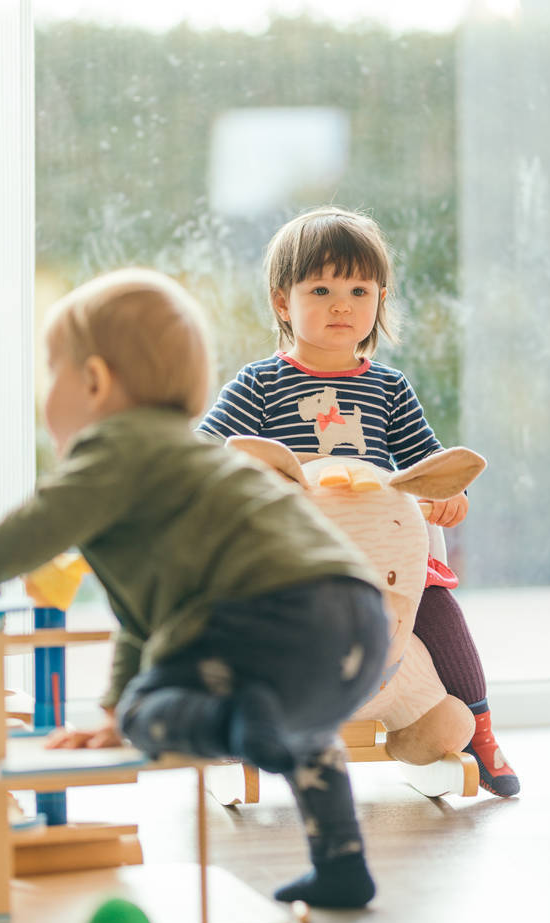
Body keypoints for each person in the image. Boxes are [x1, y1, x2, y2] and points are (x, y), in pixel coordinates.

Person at [0, 268, 391, 908]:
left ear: (94, 382)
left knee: (147, 717)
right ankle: (342, 863)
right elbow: (142, 620)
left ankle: (241, 722)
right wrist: (109, 708)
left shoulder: (116, 449)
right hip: (356, 618)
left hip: (267, 613)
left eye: (53, 375)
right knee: (304, 731)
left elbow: (37, 525)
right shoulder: (188, 461)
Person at [198, 206, 519, 797]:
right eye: (320, 288)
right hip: (294, 556)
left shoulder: (389, 388)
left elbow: (429, 464)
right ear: (281, 301)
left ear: (379, 298)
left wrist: (453, 499)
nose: (341, 304)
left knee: (440, 607)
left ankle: (479, 728)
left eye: (358, 289)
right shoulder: (260, 384)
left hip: (383, 553)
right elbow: (206, 454)